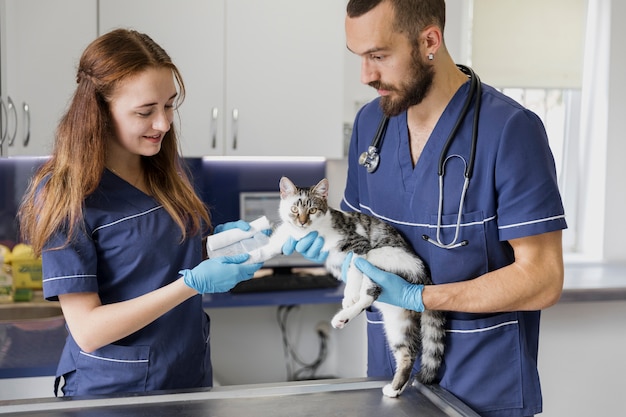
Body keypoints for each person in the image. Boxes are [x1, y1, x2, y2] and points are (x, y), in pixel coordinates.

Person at [339, 1, 567, 416]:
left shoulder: (511, 130)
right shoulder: (370, 126)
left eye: (378, 56)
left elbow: (544, 278)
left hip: (482, 393)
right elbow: (353, 234)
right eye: (360, 58)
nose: (366, 76)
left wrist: (420, 297)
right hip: (391, 386)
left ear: (430, 40)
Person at [18, 29, 262, 397]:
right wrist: (190, 284)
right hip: (114, 391)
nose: (163, 124)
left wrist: (211, 249)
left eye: (169, 105)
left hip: (186, 375)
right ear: (99, 111)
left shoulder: (162, 172)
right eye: (146, 111)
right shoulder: (65, 193)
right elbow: (88, 330)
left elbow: (147, 260)